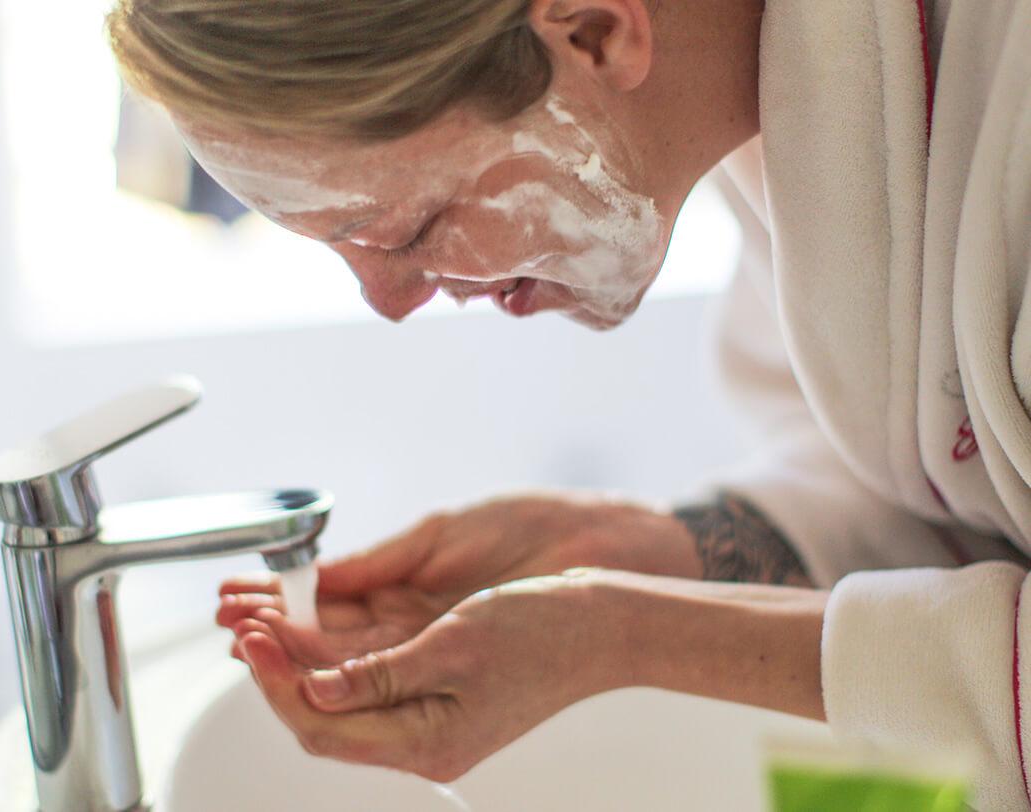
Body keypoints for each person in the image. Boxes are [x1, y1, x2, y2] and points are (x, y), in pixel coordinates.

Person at [105, 0, 1031, 805]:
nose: (388, 306)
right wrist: (646, 553)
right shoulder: (804, 113)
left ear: (592, 30)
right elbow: (944, 483)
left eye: (415, 227)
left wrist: (627, 636)